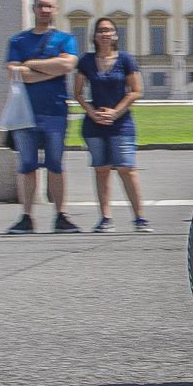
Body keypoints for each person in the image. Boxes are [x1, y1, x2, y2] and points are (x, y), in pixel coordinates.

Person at [5, 0, 81, 234]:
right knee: (27, 165)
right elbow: (13, 73)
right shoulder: (18, 41)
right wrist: (51, 69)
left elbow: (68, 65)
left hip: (55, 111)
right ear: (33, 9)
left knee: (56, 165)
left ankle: (61, 215)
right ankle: (26, 216)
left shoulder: (65, 39)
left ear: (55, 10)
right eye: (41, 6)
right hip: (25, 113)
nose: (45, 10)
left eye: (49, 6)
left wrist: (30, 65)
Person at [71, 16, 151, 233]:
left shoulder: (125, 59)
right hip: (94, 124)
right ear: (94, 36)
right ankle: (105, 218)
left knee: (127, 168)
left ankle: (139, 217)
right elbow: (77, 93)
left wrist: (116, 112)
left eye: (109, 31)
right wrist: (92, 112)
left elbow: (136, 90)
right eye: (101, 31)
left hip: (121, 122)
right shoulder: (86, 61)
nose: (105, 34)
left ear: (115, 35)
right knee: (102, 170)